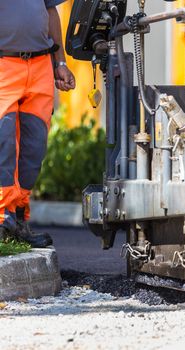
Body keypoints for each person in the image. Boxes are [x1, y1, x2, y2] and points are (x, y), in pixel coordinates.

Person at [0, 0, 75, 247]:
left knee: (34, 148)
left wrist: (60, 63)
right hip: (4, 64)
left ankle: (18, 218)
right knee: (4, 141)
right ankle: (2, 217)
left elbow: (51, 11)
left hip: (41, 64)